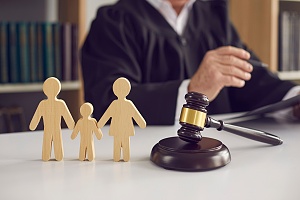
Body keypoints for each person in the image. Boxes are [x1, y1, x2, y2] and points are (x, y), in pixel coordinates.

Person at [81, 0, 300, 125]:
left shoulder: (215, 14)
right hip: (144, 162)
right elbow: (107, 100)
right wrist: (192, 91)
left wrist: (293, 100)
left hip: (222, 155)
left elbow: (246, 75)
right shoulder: (114, 21)